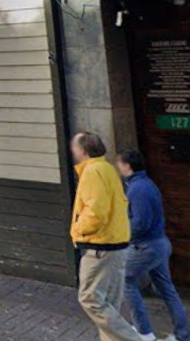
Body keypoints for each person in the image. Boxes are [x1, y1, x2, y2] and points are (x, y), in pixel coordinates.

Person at [70, 132, 144, 341]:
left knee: (90, 298)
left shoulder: (93, 172)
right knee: (109, 304)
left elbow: (96, 212)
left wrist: (77, 230)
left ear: (83, 150)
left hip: (101, 247)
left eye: (75, 147)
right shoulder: (107, 169)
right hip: (116, 245)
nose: (72, 151)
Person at [116, 150, 190, 341]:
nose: (117, 166)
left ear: (127, 165)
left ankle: (144, 332)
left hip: (147, 246)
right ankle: (183, 335)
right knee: (167, 289)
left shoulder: (137, 188)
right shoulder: (146, 184)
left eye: (119, 163)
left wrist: (124, 236)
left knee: (126, 279)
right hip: (159, 243)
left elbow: (141, 223)